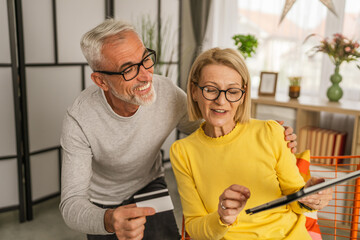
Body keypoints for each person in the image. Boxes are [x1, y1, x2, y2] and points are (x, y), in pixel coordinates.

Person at [59, 19, 298, 240]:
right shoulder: (79, 119)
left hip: (149, 182)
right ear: (101, 81)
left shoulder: (166, 93)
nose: (146, 76)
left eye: (145, 59)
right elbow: (71, 203)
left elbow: (214, 120)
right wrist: (108, 220)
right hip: (103, 200)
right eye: (128, 69)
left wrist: (268, 135)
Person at [170, 48, 333, 240]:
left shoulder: (271, 132)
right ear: (194, 91)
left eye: (232, 91)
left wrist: (310, 198)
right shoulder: (182, 152)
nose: (221, 101)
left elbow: (296, 199)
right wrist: (222, 217)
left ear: (243, 95)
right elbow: (194, 227)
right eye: (211, 89)